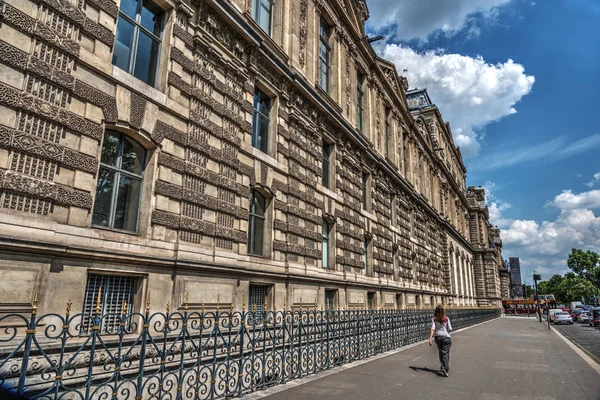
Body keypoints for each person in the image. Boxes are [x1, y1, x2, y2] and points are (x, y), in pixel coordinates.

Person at [428, 305, 452, 377]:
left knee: (441, 352)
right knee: (446, 353)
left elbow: (432, 329)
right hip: (446, 337)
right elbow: (449, 328)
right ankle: (445, 368)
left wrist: (430, 338)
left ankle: (443, 366)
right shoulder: (446, 318)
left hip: (438, 337)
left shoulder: (434, 319)